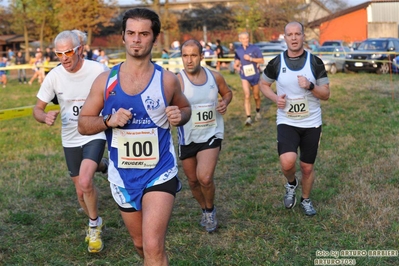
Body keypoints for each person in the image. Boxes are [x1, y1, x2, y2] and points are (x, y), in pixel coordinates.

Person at [77, 8, 191, 264]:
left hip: (159, 171)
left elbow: (185, 109)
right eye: (131, 33)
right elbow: (83, 124)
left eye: (143, 33)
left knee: (152, 245)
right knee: (140, 244)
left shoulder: (167, 80)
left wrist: (178, 116)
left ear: (155, 38)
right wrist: (108, 120)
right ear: (123, 36)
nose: (136, 39)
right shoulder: (106, 81)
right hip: (122, 176)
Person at [32, 30, 109, 253]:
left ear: (79, 50)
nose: (64, 57)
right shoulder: (55, 76)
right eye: (59, 53)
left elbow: (116, 93)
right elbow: (37, 108)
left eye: (68, 52)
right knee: (79, 192)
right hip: (70, 138)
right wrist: (43, 117)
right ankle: (101, 165)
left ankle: (94, 225)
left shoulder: (97, 70)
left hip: (94, 131)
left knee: (86, 182)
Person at [259, 21, 330, 216]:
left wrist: (310, 86)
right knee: (287, 162)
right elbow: (263, 84)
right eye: (289, 34)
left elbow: (326, 94)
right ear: (285, 38)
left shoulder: (315, 62)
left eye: (297, 34)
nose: (293, 38)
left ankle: (306, 200)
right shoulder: (276, 62)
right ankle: (291, 184)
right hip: (287, 120)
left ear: (303, 36)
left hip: (311, 122)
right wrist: (275, 98)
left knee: (307, 167)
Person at [177, 39, 232, 233]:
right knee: (192, 181)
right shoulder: (177, 80)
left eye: (193, 55)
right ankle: (204, 209)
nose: (189, 60)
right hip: (188, 136)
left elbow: (227, 93)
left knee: (205, 178)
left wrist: (225, 102)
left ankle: (210, 210)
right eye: (185, 56)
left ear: (201, 56)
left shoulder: (214, 77)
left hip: (211, 134)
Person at [233, 32, 264, 126]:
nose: (245, 40)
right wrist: (236, 66)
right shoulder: (238, 50)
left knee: (256, 96)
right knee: (247, 95)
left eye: (247, 38)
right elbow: (237, 60)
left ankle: (258, 112)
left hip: (255, 75)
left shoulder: (255, 48)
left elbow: (262, 60)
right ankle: (248, 117)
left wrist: (251, 59)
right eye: (243, 38)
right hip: (244, 76)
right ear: (240, 40)